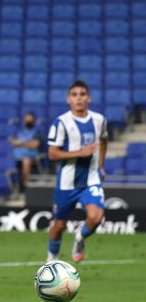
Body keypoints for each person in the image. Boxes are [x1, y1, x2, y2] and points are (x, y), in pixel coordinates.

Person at [46, 80, 107, 263]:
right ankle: (51, 260)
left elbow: (103, 141)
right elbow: (52, 154)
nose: (78, 98)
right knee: (59, 225)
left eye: (82, 94)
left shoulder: (99, 120)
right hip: (67, 182)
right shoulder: (61, 123)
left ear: (89, 98)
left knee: (96, 218)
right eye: (74, 95)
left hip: (91, 178)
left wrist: (101, 165)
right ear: (68, 99)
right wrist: (81, 152)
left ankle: (80, 237)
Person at [11, 112, 42, 193]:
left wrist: (21, 143)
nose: (28, 121)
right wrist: (27, 143)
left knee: (26, 161)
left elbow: (35, 145)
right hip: (17, 155)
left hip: (31, 156)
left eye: (30, 120)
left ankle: (24, 185)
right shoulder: (19, 131)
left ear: (34, 121)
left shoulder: (37, 131)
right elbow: (13, 142)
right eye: (27, 119)